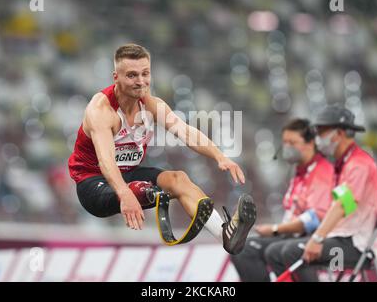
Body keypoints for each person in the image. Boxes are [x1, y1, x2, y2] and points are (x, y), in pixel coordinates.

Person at [67, 43, 256, 254]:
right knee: (141, 189)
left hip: (127, 173)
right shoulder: (101, 110)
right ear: (116, 77)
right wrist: (124, 193)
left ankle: (226, 235)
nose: (141, 82)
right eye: (132, 75)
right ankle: (141, 192)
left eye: (145, 73)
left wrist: (220, 156)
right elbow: (106, 161)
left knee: (179, 179)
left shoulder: (152, 105)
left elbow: (185, 132)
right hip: (93, 182)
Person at [265, 105, 377, 281]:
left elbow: (342, 206)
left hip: (357, 244)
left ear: (340, 134)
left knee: (290, 251)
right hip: (340, 236)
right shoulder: (342, 164)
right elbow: (347, 207)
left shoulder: (358, 164)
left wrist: (318, 238)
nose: (317, 138)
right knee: (274, 252)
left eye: (321, 132)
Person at [231, 118, 334, 281]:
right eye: (285, 142)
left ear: (310, 143)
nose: (286, 147)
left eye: (292, 142)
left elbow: (314, 219)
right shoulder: (299, 172)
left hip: (311, 239)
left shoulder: (322, 172)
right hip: (292, 237)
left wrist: (275, 229)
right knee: (242, 248)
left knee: (261, 250)